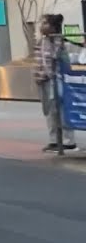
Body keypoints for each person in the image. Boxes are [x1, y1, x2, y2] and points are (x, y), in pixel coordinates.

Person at [35, 13, 76, 152]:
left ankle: (68, 140)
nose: (41, 26)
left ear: (52, 27)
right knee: (49, 111)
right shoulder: (42, 41)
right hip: (43, 79)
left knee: (61, 110)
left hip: (56, 79)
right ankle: (53, 139)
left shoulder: (57, 41)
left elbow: (61, 59)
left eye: (44, 23)